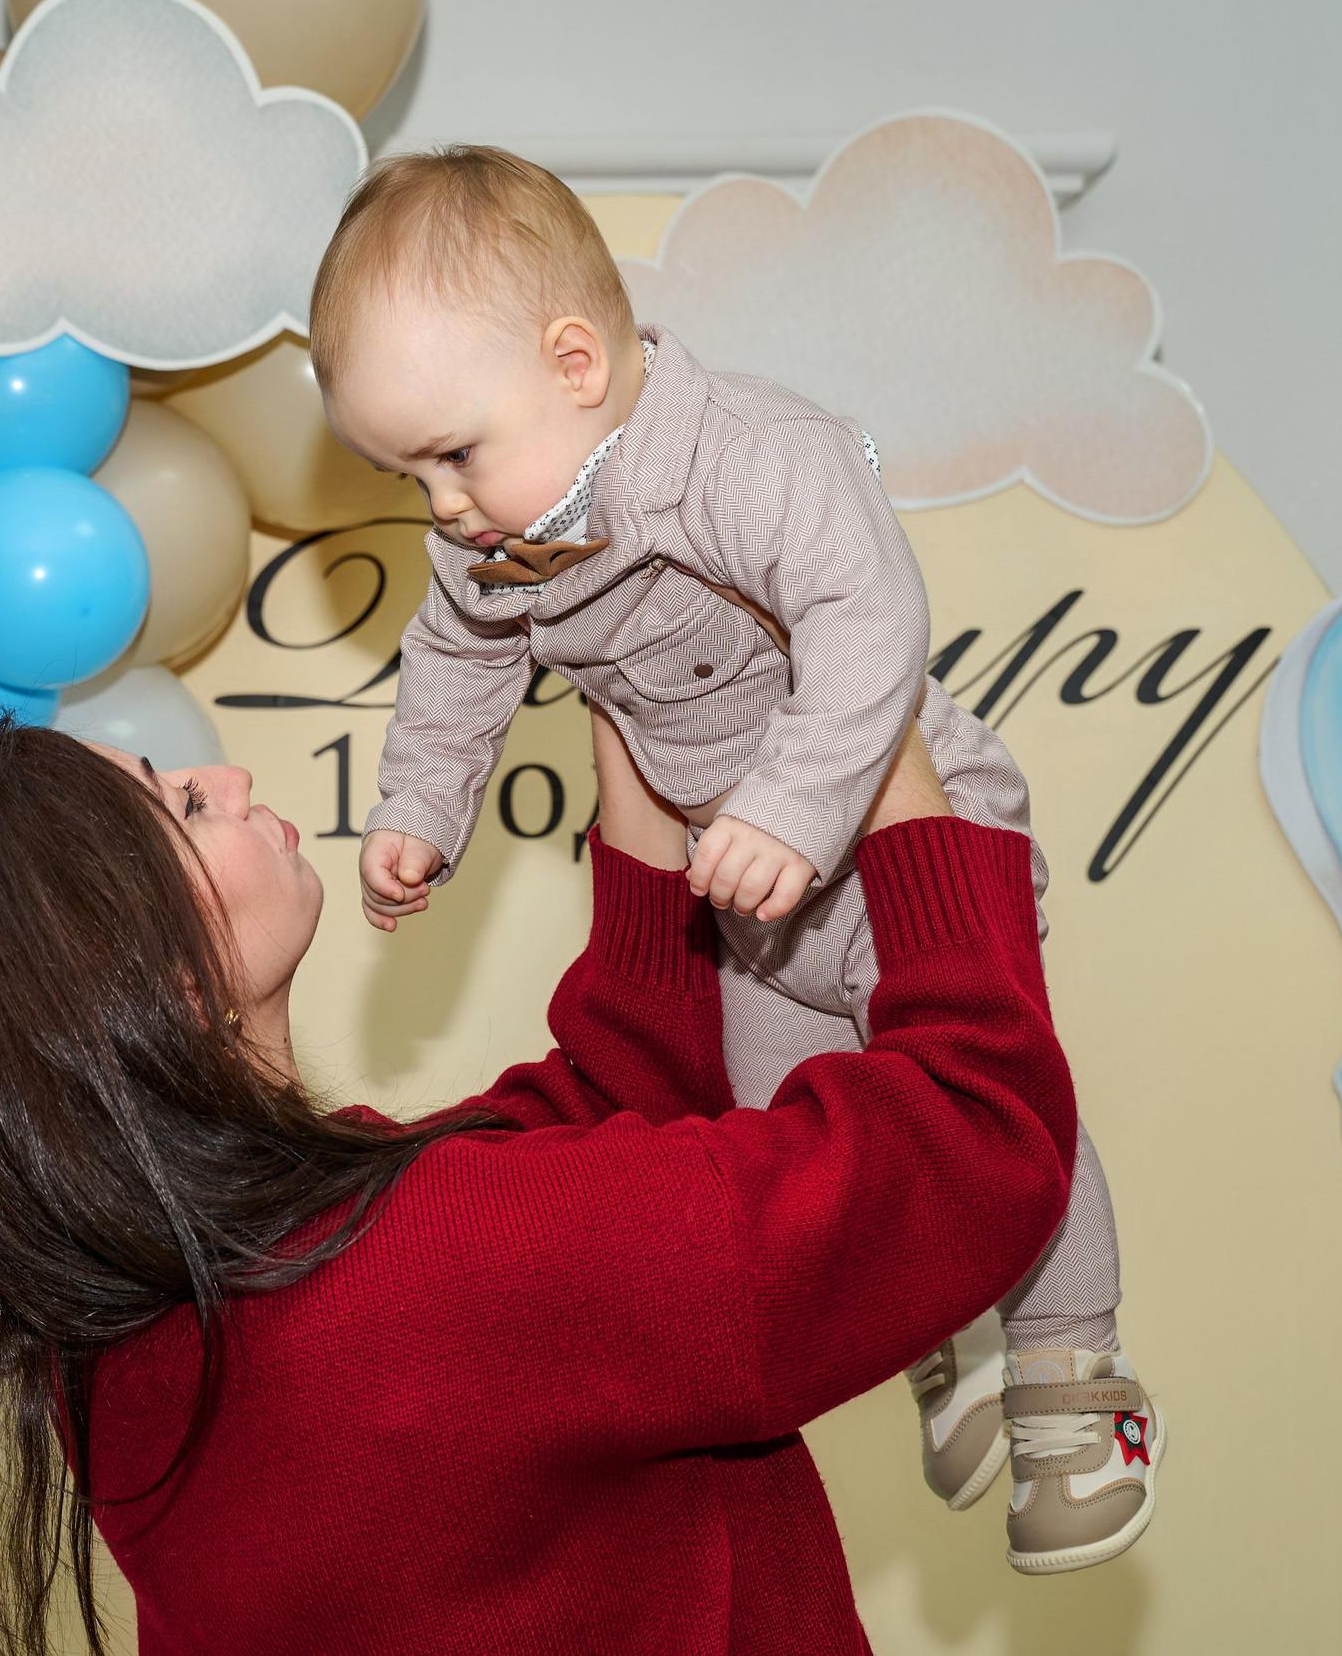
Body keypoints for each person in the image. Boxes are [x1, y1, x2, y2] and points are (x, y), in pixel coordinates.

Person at [0, 708, 1078, 1655]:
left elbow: (596, 1111)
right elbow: (976, 1136)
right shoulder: (427, 1270)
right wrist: (882, 735)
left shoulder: (125, 1351)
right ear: (152, 980)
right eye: (181, 806)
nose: (227, 773)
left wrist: (628, 718)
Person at [310, 145, 1158, 1570]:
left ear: (577, 361)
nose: (443, 506)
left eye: (453, 453)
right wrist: (421, 812)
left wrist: (796, 804)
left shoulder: (756, 455)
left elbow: (869, 616)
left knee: (998, 1101)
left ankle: (1076, 1380)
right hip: (742, 887)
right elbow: (454, 666)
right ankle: (932, 1325)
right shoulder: (496, 539)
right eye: (408, 475)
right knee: (797, 1126)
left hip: (891, 826)